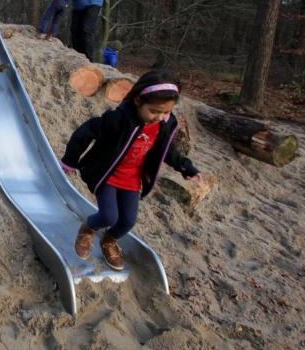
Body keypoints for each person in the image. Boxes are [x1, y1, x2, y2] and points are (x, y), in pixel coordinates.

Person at [60, 70, 202, 270]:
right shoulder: (118, 119)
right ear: (138, 100)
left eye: (166, 112)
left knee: (127, 221)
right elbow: (86, 131)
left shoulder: (163, 125)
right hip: (108, 174)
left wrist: (185, 167)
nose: (160, 117)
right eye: (154, 111)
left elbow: (167, 150)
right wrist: (70, 160)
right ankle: (87, 229)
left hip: (132, 179)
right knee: (109, 216)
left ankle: (109, 240)